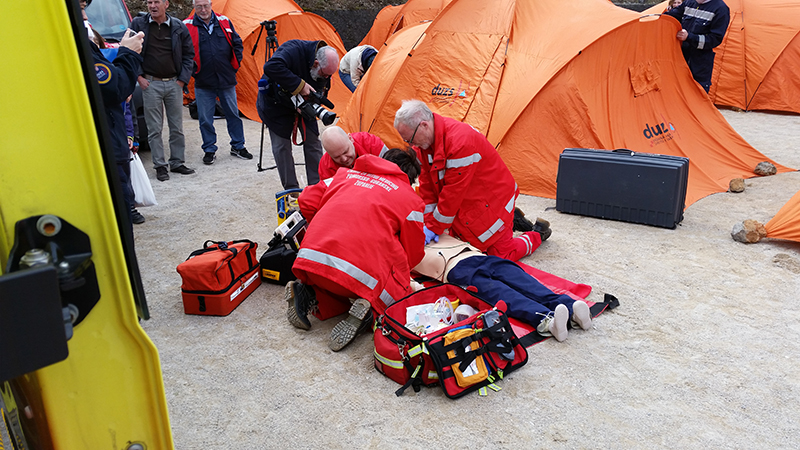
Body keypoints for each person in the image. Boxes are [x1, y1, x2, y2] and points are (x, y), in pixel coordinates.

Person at [285, 150, 425, 351]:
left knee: (332, 278)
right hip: (354, 280)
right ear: (410, 178)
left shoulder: (344, 175)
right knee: (398, 288)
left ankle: (306, 291)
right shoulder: (409, 198)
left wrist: (325, 227)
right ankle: (369, 312)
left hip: (310, 264)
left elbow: (306, 199)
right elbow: (413, 253)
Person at [393, 99, 550, 262]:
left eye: (410, 139)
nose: (411, 145)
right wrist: (427, 223)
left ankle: (538, 233)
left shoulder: (460, 142)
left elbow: (452, 194)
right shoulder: (423, 146)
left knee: (500, 255)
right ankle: (512, 220)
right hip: (473, 199)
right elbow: (428, 188)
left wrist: (433, 227)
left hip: (493, 200)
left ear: (424, 125)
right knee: (469, 249)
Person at [413, 234, 592, 341]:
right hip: (455, 270)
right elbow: (401, 276)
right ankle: (547, 321)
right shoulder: (403, 247)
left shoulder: (430, 223)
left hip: (481, 257)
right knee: (503, 294)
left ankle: (570, 308)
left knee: (526, 283)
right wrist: (420, 289)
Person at [87, 16, 144, 231]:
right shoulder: (81, 48)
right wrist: (128, 53)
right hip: (107, 146)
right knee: (118, 215)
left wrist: (130, 136)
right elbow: (115, 88)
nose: (85, 16)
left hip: (113, 139)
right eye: (80, 8)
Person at [257, 40, 339, 189]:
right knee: (282, 146)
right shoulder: (294, 49)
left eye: (329, 76)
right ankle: (291, 190)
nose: (326, 78)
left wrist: (310, 105)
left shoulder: (324, 71)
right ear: (316, 63)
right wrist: (300, 86)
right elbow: (270, 66)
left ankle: (317, 187)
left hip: (304, 104)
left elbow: (321, 89)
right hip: (276, 105)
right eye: (324, 74)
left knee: (313, 142)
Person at [131, 0, 196, 181]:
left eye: (156, 2)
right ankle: (160, 166)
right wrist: (139, 77)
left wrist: (182, 80)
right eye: (149, 2)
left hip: (174, 83)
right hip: (150, 83)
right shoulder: (138, 24)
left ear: (166, 4)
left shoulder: (178, 26)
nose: (152, 6)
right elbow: (129, 51)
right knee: (154, 129)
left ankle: (177, 162)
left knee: (177, 127)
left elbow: (189, 54)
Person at [183, 0, 252, 166]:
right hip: (203, 81)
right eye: (199, 6)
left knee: (233, 115)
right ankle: (209, 149)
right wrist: (193, 71)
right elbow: (182, 51)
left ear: (211, 5)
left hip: (226, 79)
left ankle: (238, 146)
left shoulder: (224, 21)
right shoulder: (187, 25)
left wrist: (234, 66)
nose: (203, 10)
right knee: (205, 119)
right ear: (194, 7)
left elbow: (237, 44)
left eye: (205, 6)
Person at [665, 0, 730, 93]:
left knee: (698, 92)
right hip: (681, 57)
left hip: (700, 63)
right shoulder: (689, 3)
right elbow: (671, 16)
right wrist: (656, 18)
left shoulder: (720, 9)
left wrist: (689, 37)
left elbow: (714, 39)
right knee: (676, 90)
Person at [317, 126, 388, 179]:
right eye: (336, 157)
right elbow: (328, 192)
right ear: (329, 154)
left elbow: (392, 169)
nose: (344, 159)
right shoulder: (325, 166)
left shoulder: (371, 143)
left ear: (350, 138)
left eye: (345, 152)